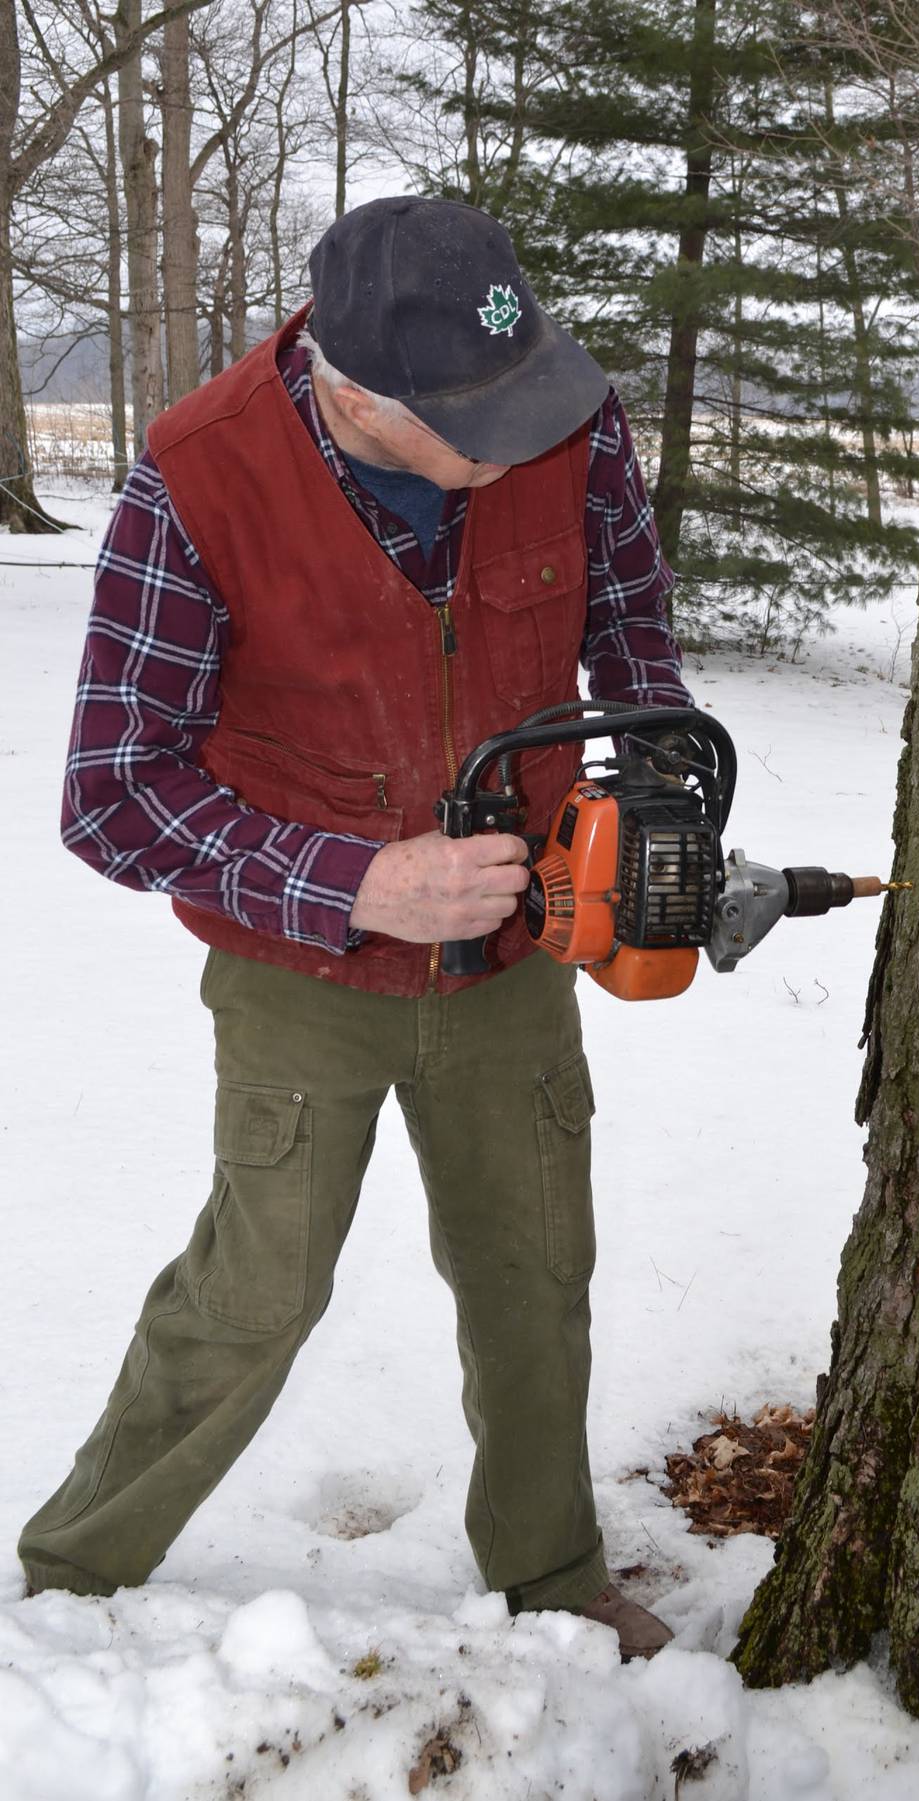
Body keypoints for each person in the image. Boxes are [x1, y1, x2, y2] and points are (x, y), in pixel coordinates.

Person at [18, 196, 685, 1660]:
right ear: (356, 389)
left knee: (536, 1274)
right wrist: (355, 882)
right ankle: (73, 1572)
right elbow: (113, 794)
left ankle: (555, 1574)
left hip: (517, 950)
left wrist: (655, 819)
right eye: (480, 418)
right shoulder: (199, 479)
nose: (524, 433)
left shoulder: (565, 421)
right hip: (299, 971)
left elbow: (635, 641)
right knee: (257, 1286)